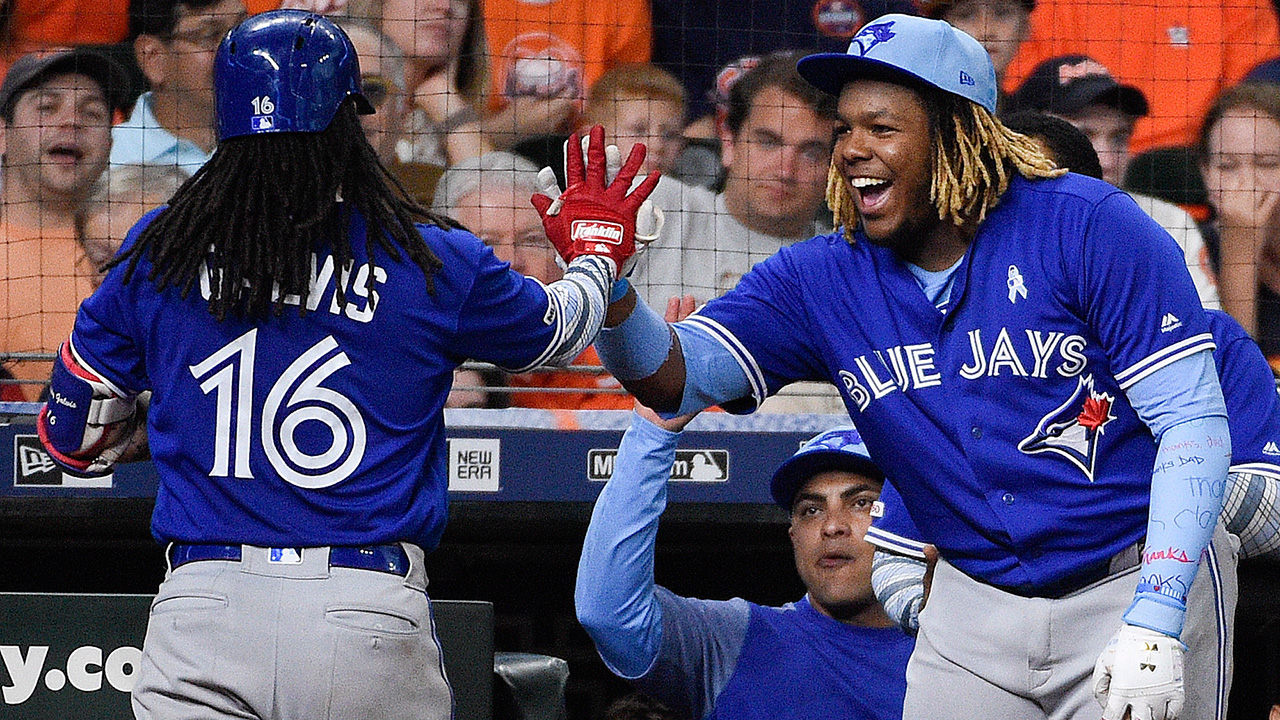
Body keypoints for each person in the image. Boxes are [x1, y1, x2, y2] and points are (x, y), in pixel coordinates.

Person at [590, 15, 1234, 720]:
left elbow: (1193, 423)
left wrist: (1157, 614)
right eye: (844, 130)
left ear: (959, 132)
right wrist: (611, 291)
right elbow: (673, 378)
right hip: (971, 601)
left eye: (881, 129)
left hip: (1129, 577)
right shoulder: (820, 277)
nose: (852, 150)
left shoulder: (1087, 224)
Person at [36, 10, 655, 719]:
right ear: (346, 122)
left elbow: (73, 440)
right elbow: (558, 333)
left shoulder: (161, 245)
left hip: (203, 608)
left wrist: (163, 425)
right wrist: (598, 255)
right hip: (362, 613)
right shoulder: (425, 252)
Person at [869, 307, 1279, 639]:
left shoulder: (1211, 337)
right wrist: (934, 615)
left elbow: (1273, 511)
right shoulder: (978, 354)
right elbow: (893, 559)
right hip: (995, 624)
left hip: (1168, 605)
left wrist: (1091, 517)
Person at [576, 406, 913, 719]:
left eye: (861, 503)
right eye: (811, 510)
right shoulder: (736, 640)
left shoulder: (952, 650)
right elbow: (610, 614)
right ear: (794, 535)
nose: (831, 526)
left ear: (907, 522)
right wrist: (652, 434)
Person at [1007, 54, 1221, 309]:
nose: (1106, 161)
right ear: (1025, 142)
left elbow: (1205, 333)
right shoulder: (987, 225)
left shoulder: (1168, 224)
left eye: (1119, 139)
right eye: (1083, 136)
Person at [630, 51, 839, 309]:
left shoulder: (842, 265)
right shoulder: (653, 204)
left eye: (811, 153)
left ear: (833, 166)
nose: (785, 171)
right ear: (729, 143)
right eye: (768, 142)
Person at [432, 150, 631, 409]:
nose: (511, 260)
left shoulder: (608, 358)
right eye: (487, 244)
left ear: (561, 255)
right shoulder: (417, 356)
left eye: (532, 240)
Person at [0, 48, 126, 400]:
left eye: (92, 112)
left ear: (110, 143)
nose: (71, 122)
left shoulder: (138, 248)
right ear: (2, 133)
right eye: (47, 107)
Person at [1000, 0, 1280, 153]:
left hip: (1195, 187)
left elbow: (1255, 104)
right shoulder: (1048, 8)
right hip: (1083, 178)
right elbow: (1026, 106)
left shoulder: (1238, 5)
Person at [113, 0, 249, 176]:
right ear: (152, 57)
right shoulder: (106, 159)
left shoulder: (280, 145)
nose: (236, 49)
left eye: (243, 28)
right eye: (210, 35)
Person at [1198, 82, 1280, 370]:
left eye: (1268, 164)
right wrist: (1240, 253)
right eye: (1227, 166)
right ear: (1206, 175)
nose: (1247, 184)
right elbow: (1239, 381)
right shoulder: (1187, 248)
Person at [918, 0, 1033, 112]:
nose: (986, 31)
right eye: (966, 15)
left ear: (1026, 26)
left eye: (1002, 13)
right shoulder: (922, 113)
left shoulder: (1035, 115)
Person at [579, 64, 687, 178]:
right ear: (592, 138)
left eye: (670, 135)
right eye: (638, 130)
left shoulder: (694, 194)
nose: (657, 145)